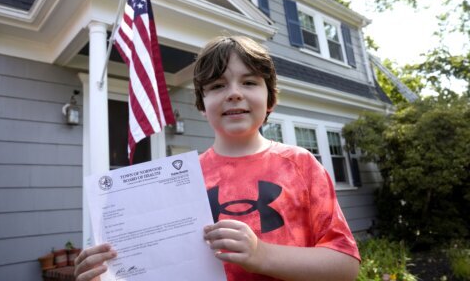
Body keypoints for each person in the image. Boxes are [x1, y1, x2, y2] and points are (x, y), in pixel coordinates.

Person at [74, 36, 360, 281]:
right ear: (202, 104)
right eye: (217, 86)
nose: (234, 93)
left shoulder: (301, 164)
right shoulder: (180, 181)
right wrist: (111, 272)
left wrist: (261, 254)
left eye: (249, 82)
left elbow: (345, 266)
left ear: (270, 99)